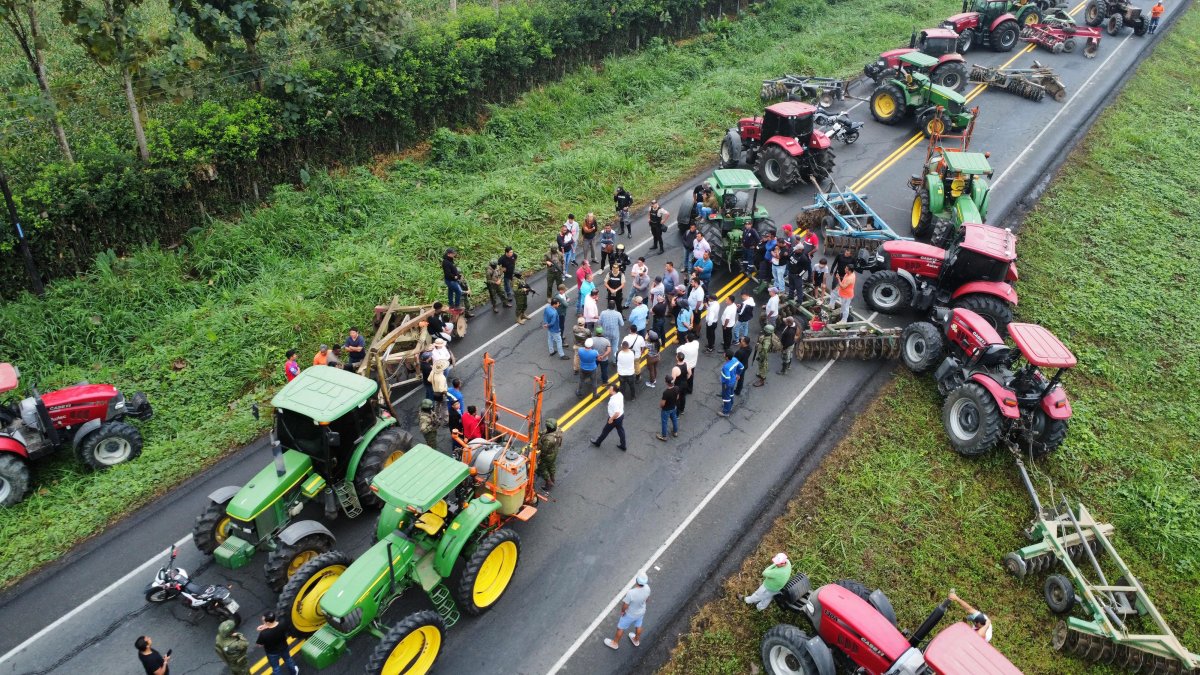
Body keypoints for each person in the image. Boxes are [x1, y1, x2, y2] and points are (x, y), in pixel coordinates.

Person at [604, 572, 650, 650]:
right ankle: (636, 640)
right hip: (641, 612)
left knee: (620, 628)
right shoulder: (647, 588)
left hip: (630, 614)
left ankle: (615, 643)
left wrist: (623, 611)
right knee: (638, 625)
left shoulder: (631, 593)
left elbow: (625, 605)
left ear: (637, 580)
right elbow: (647, 599)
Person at [590, 384, 627, 451]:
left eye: (610, 389)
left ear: (614, 391)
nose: (609, 390)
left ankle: (598, 442)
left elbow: (616, 413)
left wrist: (611, 419)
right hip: (621, 416)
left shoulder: (613, 401)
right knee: (620, 430)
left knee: (605, 430)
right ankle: (623, 445)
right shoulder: (620, 394)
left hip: (614, 418)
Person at [537, 418, 563, 489]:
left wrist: (538, 444)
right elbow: (545, 433)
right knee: (551, 465)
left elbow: (544, 450)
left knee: (541, 467)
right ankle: (552, 478)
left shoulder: (549, 440)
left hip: (548, 455)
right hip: (554, 451)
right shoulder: (557, 430)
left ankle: (548, 482)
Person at [718, 350, 744, 417]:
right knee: (731, 394)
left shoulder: (726, 367)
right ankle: (730, 406)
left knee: (726, 397)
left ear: (727, 357)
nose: (724, 354)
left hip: (727, 384)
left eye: (725, 354)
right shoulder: (735, 359)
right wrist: (738, 374)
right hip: (733, 381)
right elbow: (742, 367)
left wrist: (726, 385)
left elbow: (727, 377)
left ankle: (726, 412)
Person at [657, 375, 679, 441]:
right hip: (673, 407)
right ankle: (675, 432)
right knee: (674, 419)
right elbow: (677, 397)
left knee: (664, 422)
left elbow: (663, 404)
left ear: (666, 383)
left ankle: (664, 436)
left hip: (666, 410)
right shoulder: (677, 388)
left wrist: (661, 406)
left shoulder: (666, 392)